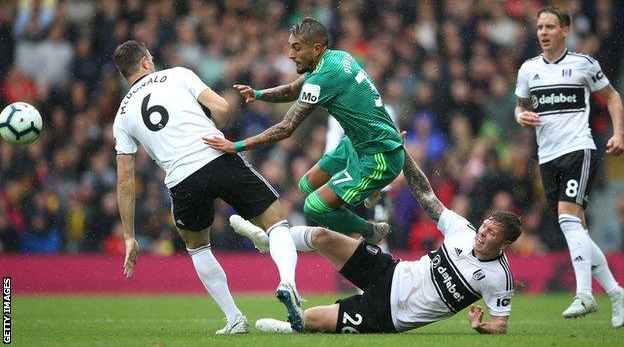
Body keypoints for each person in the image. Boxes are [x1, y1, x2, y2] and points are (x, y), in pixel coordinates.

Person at [111, 40, 303, 334]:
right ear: (146, 63)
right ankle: (287, 281)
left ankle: (234, 318)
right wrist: (218, 125)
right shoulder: (178, 75)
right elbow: (222, 107)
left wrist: (129, 236)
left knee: (198, 247)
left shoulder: (122, 115)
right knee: (276, 222)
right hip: (216, 156)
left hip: (182, 180)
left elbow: (125, 181)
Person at [234, 151, 520, 334]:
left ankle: (286, 328)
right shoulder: (463, 231)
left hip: (388, 316)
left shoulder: (499, 277)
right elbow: (427, 198)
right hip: (391, 272)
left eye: (491, 233)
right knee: (321, 235)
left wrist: (483, 328)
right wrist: (402, 153)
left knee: (307, 320)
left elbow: (500, 324)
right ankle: (269, 240)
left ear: (504, 243)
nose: (482, 233)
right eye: (485, 226)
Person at [203, 17, 405, 245]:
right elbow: (292, 90)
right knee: (306, 184)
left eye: (296, 47)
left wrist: (237, 146)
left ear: (316, 48)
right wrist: (259, 94)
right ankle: (366, 191)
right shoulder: (336, 58)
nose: (290, 54)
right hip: (357, 145)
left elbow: (287, 127)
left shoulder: (324, 77)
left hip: (378, 157)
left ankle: (369, 230)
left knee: (314, 206)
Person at [514, 6, 624, 327]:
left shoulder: (583, 65)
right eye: (539, 27)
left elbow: (613, 97)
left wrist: (619, 133)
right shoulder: (528, 70)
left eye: (550, 27)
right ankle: (616, 293)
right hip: (547, 158)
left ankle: (585, 295)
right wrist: (522, 117)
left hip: (579, 149)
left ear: (565, 31)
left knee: (567, 219)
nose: (543, 33)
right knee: (576, 230)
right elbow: (520, 108)